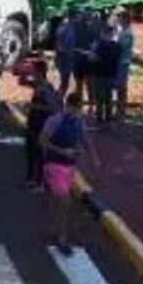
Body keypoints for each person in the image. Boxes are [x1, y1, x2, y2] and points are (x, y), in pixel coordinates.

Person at [40, 93, 101, 256]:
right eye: (75, 108)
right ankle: (62, 238)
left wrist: (94, 157)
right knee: (65, 200)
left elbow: (86, 139)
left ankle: (53, 227)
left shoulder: (79, 121)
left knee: (57, 200)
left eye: (79, 109)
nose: (77, 112)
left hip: (69, 167)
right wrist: (62, 151)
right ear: (69, 106)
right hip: (53, 164)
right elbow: (42, 141)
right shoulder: (55, 121)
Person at [26, 61, 59, 192]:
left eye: (33, 70)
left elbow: (52, 107)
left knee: (39, 153)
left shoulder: (45, 88)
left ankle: (40, 181)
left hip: (40, 124)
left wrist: (34, 106)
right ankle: (32, 179)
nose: (31, 73)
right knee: (31, 152)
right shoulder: (39, 85)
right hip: (34, 123)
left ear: (39, 72)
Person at [89, 23, 121, 127]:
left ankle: (99, 118)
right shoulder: (117, 46)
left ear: (103, 33)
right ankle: (108, 117)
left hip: (99, 75)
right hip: (112, 75)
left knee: (99, 98)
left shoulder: (100, 45)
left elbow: (92, 59)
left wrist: (92, 51)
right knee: (109, 97)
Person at [115, 11, 134, 124]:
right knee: (119, 88)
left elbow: (121, 47)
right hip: (120, 62)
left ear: (125, 20)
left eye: (120, 18)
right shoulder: (123, 31)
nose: (119, 20)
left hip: (123, 63)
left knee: (122, 88)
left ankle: (121, 112)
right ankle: (119, 111)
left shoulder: (128, 33)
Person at [55, 12, 77, 98]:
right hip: (66, 57)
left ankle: (59, 97)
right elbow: (69, 43)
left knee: (63, 80)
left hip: (60, 56)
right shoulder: (70, 29)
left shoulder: (60, 27)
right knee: (65, 81)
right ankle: (59, 98)